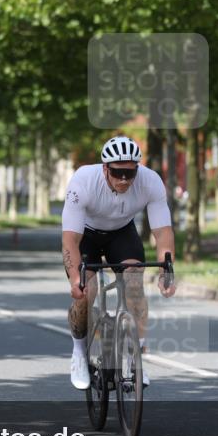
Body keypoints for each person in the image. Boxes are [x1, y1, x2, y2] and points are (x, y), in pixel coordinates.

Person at [61, 136, 176, 390]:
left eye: (129, 173)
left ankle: (136, 360)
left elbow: (163, 232)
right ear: (105, 168)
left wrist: (166, 272)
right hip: (86, 235)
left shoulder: (150, 181)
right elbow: (70, 240)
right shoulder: (83, 182)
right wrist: (75, 278)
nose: (124, 179)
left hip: (121, 233)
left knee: (134, 283)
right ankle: (79, 352)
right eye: (117, 173)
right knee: (86, 292)